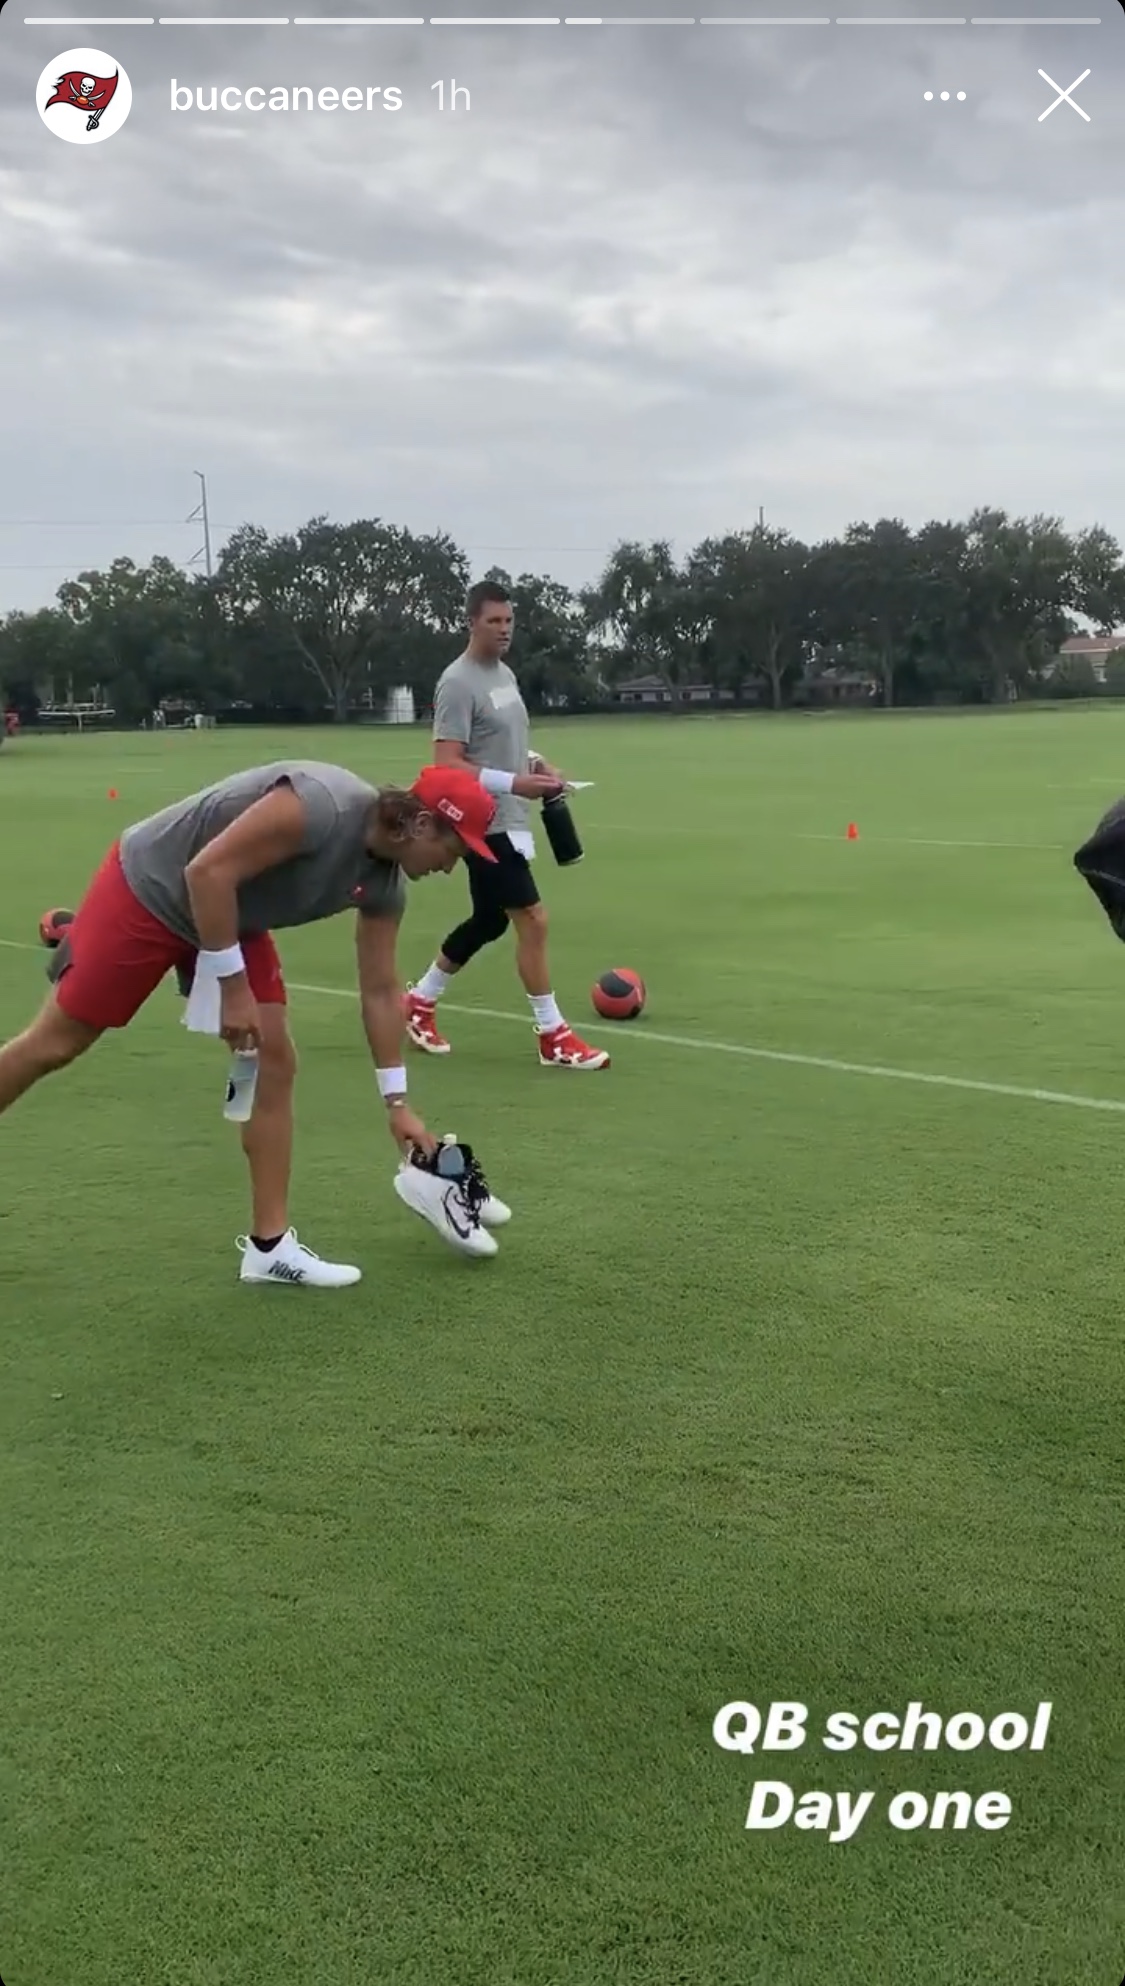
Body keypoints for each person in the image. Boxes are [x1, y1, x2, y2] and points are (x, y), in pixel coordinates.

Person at [0, 759, 508, 1285]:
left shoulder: (384, 887)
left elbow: (380, 993)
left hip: (229, 916)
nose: (451, 868)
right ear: (423, 825)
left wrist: (397, 1104)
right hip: (153, 890)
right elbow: (205, 871)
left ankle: (270, 1247)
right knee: (55, 1044)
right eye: (455, 851)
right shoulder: (319, 807)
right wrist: (233, 988)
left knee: (272, 1060)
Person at [404, 581, 609, 1070]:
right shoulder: (456, 683)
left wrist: (540, 766)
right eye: (494, 621)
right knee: (532, 919)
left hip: (510, 817)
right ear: (472, 621)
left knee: (490, 919)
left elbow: (509, 742)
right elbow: (447, 765)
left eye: (509, 622)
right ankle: (552, 1036)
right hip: (480, 821)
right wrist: (514, 783)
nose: (504, 630)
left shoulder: (506, 676)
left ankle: (419, 1003)